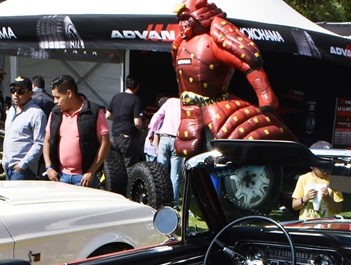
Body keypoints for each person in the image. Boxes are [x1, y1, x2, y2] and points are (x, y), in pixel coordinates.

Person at [170, 0, 292, 157]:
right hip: (188, 111)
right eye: (180, 20)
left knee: (217, 154)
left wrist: (265, 96)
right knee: (189, 155)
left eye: (186, 19)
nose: (183, 24)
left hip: (215, 110)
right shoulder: (180, 45)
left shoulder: (212, 41)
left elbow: (248, 62)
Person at [43, 74, 110, 187]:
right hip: (60, 177)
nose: (55, 101)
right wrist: (49, 167)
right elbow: (47, 141)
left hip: (84, 178)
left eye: (58, 97)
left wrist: (91, 171)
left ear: (69, 93)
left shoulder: (94, 111)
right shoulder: (55, 113)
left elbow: (105, 143)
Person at [3, 76, 45, 180]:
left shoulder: (37, 113)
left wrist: (23, 165)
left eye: (20, 91)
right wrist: (4, 160)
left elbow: (39, 143)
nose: (15, 94)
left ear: (30, 93)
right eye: (13, 91)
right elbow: (7, 136)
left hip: (22, 171)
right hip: (8, 167)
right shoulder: (11, 110)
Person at [292, 144, 344, 220]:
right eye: (323, 168)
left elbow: (338, 209)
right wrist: (306, 198)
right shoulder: (303, 179)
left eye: (329, 168)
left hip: (326, 225)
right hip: (307, 226)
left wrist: (327, 198)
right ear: (313, 165)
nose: (327, 172)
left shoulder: (334, 181)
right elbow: (294, 205)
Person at [148, 94, 183, 202]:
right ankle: (174, 202)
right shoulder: (187, 106)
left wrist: (151, 131)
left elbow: (157, 116)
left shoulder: (170, 102)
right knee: (175, 175)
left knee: (160, 172)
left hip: (164, 138)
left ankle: (159, 199)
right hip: (177, 141)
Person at [108, 76, 144, 166]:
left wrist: (117, 119)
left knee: (117, 167)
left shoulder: (116, 97)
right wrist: (142, 130)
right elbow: (137, 123)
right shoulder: (135, 100)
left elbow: (108, 115)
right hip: (128, 138)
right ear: (138, 86)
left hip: (115, 137)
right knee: (129, 167)